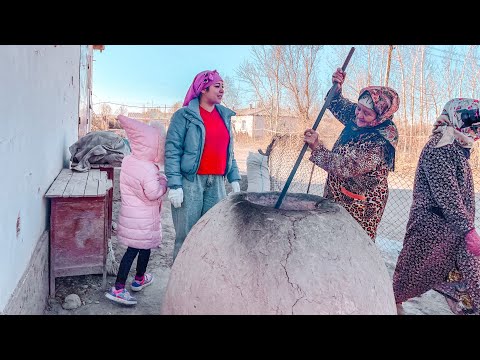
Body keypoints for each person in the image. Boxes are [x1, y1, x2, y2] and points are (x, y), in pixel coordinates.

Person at [393, 98, 480, 315]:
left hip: (451, 232)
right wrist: (468, 231)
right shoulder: (440, 146)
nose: (477, 134)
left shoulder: (454, 145)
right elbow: (447, 195)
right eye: (475, 128)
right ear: (461, 120)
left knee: (468, 286)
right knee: (404, 284)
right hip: (433, 233)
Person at [303, 68, 400, 241]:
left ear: (381, 115)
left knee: (352, 245)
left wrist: (317, 147)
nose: (359, 115)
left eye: (366, 113)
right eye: (358, 109)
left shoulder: (381, 140)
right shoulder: (358, 115)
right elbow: (336, 103)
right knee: (331, 240)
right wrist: (337, 86)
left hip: (361, 204)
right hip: (337, 193)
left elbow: (348, 166)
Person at [165, 70, 241, 261]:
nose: (222, 90)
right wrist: (175, 185)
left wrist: (234, 178)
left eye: (223, 86)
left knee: (212, 235)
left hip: (216, 184)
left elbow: (228, 151)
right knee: (186, 237)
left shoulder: (224, 117)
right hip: (191, 182)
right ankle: (180, 285)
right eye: (217, 86)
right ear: (203, 88)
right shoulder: (184, 116)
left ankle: (203, 282)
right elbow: (172, 150)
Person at [105, 115, 167, 305]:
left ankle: (140, 278)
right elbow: (153, 193)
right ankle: (118, 288)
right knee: (133, 250)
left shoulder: (130, 160)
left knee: (145, 246)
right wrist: (164, 182)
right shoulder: (148, 168)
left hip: (134, 214)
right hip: (142, 218)